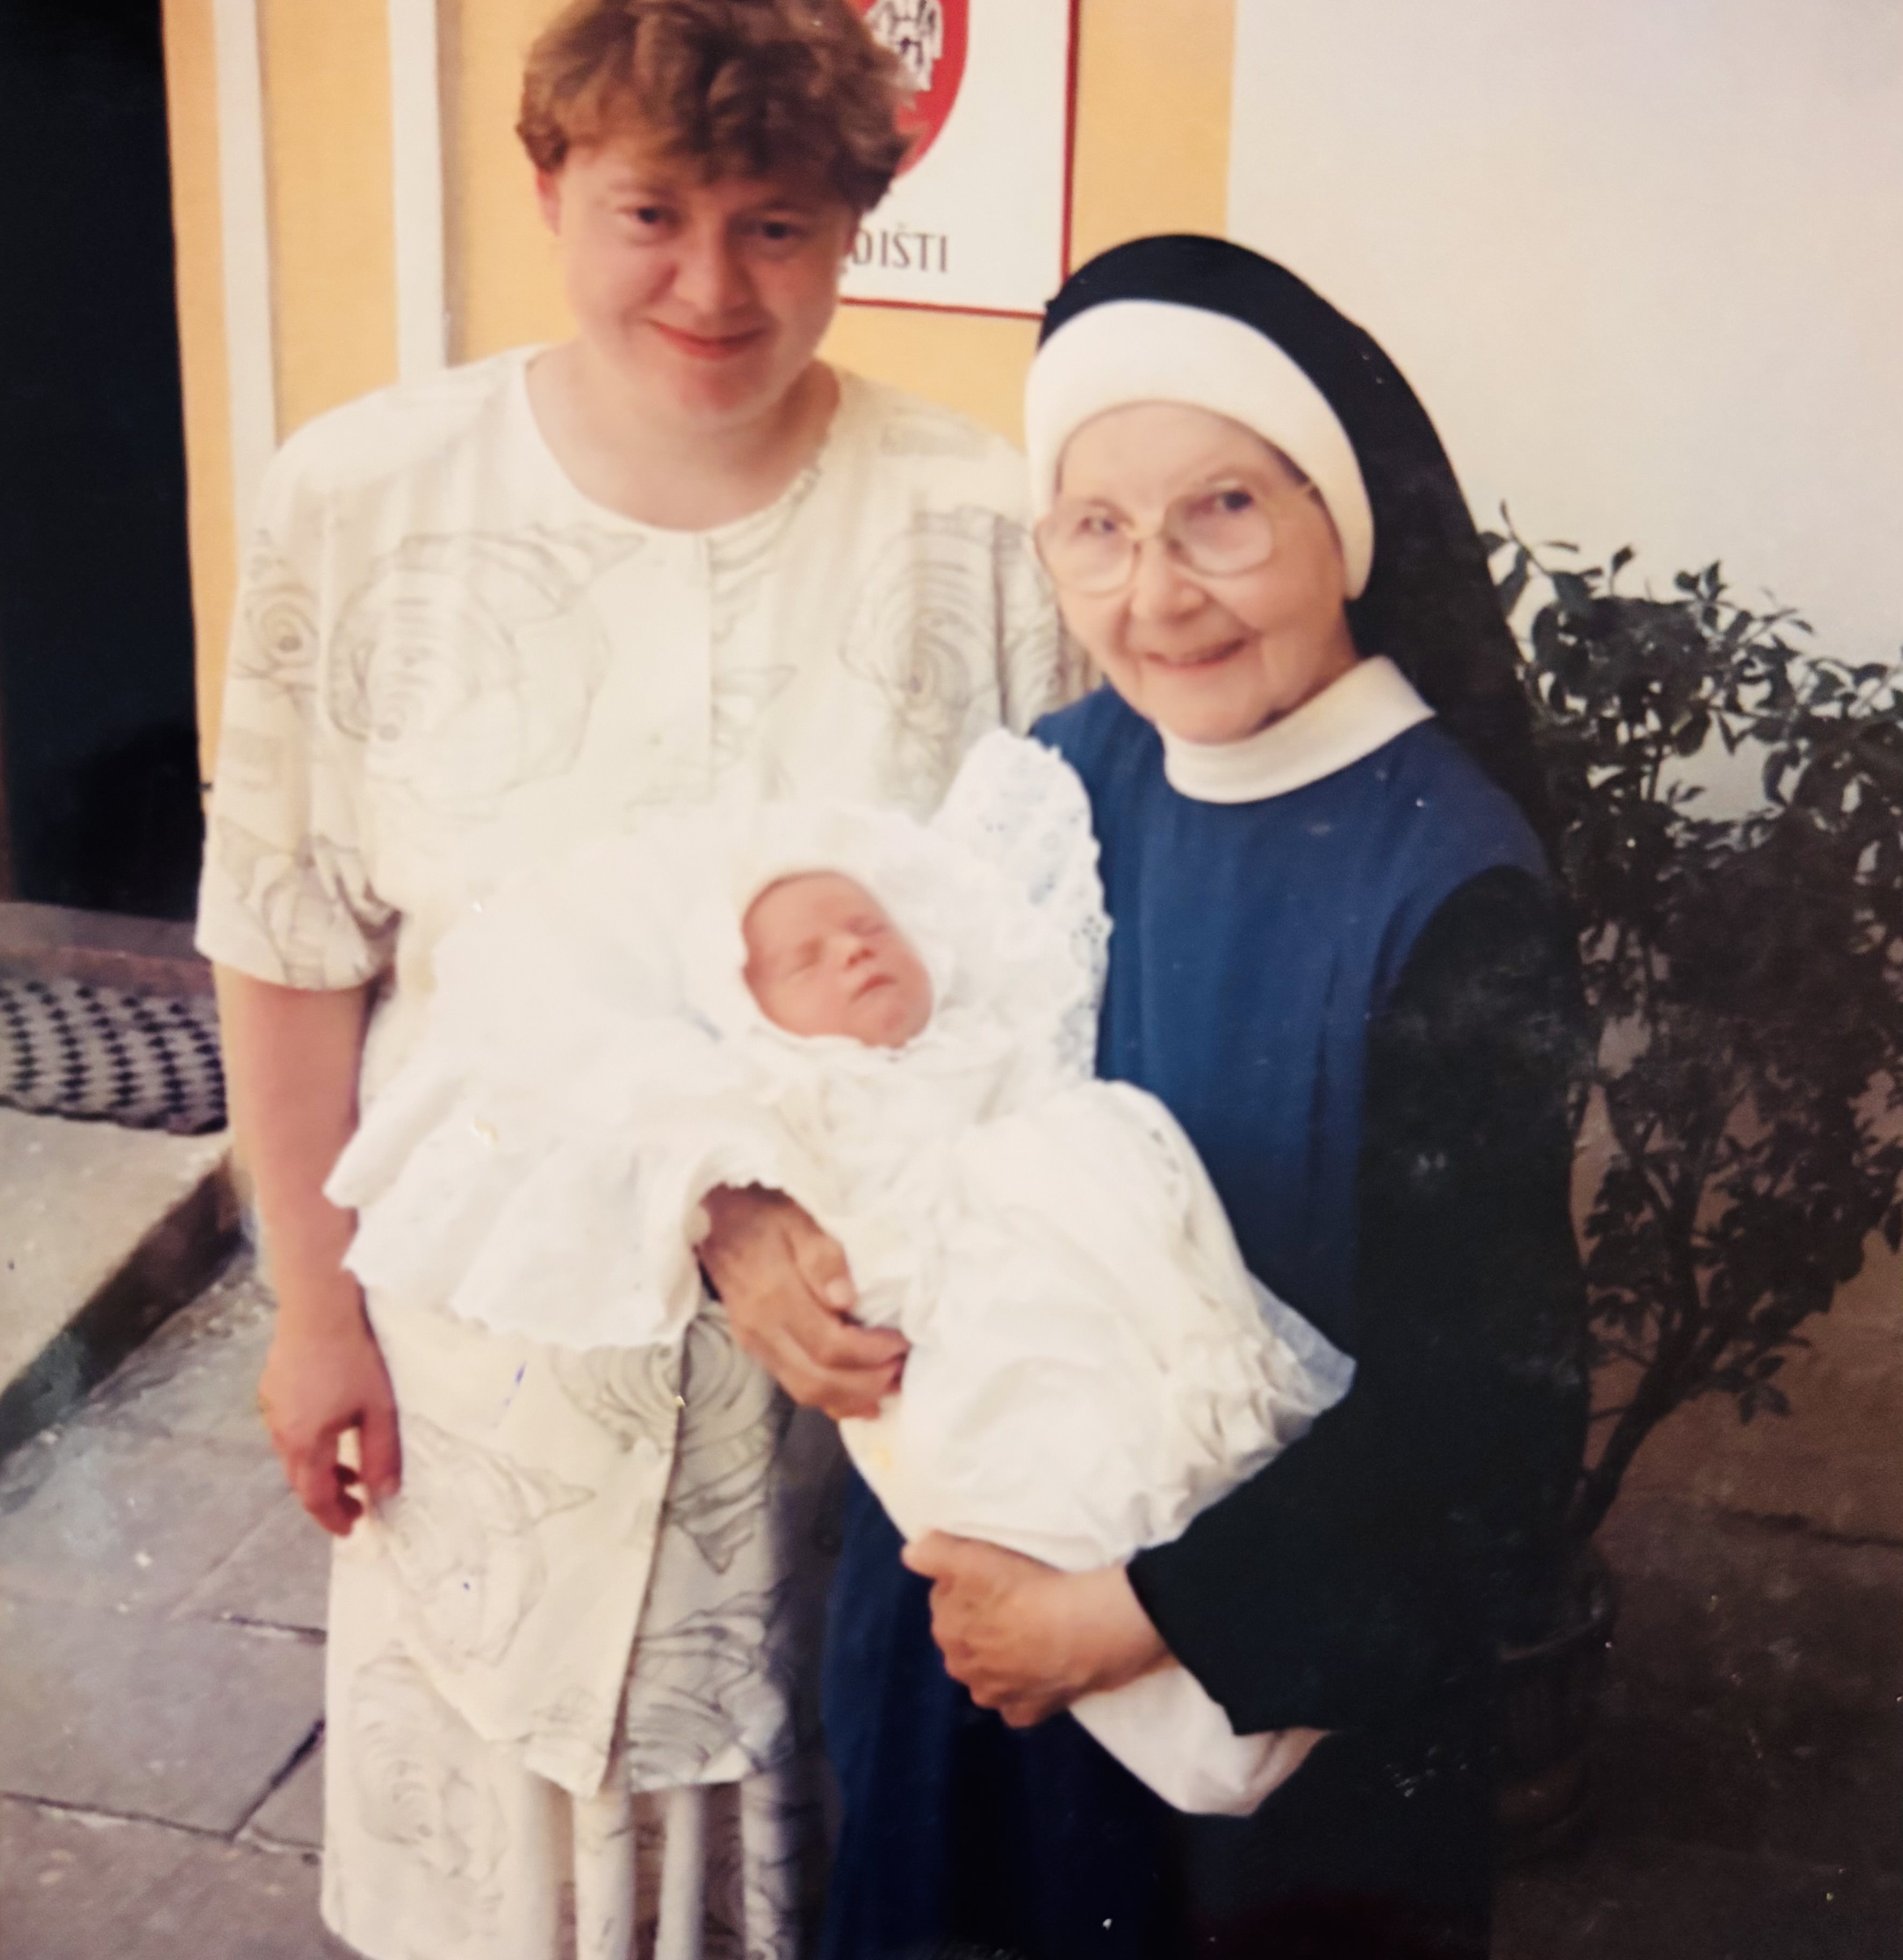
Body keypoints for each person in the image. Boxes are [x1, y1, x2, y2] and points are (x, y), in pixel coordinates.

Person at [195, 0, 1069, 1960]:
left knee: (793, 1736)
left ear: (858, 226)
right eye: (653, 211)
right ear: (551, 187)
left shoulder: (974, 528)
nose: (711, 282)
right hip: (503, 1317)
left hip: (843, 1349)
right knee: (561, 1736)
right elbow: (288, 930)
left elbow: (1037, 950)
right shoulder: (367, 501)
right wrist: (310, 1304)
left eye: (779, 223)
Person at [812, 234, 1588, 1960]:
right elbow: (832, 1090)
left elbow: (1486, 1417)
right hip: (980, 1651)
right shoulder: (1045, 790)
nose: (1153, 595)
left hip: (1254, 1683)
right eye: (1096, 528)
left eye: (1221, 511)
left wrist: (1129, 1615)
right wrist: (753, 1231)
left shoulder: (1449, 882)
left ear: (1340, 518)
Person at [320, 735, 1352, 1818]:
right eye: (804, 961)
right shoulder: (778, 1099)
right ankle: (1199, 1716)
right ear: (746, 1010)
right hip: (939, 1351)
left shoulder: (992, 1041)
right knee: (1043, 1502)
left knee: (1165, 1449)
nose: (854, 953)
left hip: (1074, 1296)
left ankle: (1233, 1643)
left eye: (870, 928)